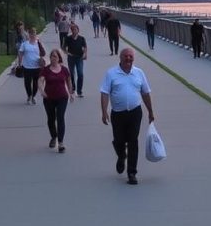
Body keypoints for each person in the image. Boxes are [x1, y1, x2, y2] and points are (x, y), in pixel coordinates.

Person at [100, 48, 155, 185]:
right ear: (120, 58)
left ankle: (132, 172)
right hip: (118, 113)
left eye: (131, 56)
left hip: (135, 112)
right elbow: (105, 93)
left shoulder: (139, 73)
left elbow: (145, 93)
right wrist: (104, 111)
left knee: (133, 141)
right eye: (126, 56)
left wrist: (150, 111)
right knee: (119, 140)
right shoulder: (111, 73)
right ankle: (121, 155)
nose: (128, 59)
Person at [39, 49, 74, 152]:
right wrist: (41, 90)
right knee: (51, 119)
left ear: (59, 58)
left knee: (60, 118)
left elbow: (69, 81)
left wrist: (71, 93)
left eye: (55, 56)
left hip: (62, 97)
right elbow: (40, 81)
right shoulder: (46, 70)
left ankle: (61, 143)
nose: (53, 58)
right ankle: (54, 136)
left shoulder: (64, 69)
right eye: (52, 56)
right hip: (48, 98)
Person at [16, 28, 46, 104]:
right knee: (27, 82)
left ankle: (34, 96)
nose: (33, 35)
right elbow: (20, 54)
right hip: (27, 66)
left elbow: (43, 53)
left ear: (36, 34)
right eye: (31, 33)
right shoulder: (25, 44)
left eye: (34, 33)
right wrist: (19, 63)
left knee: (36, 83)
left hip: (37, 66)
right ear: (28, 34)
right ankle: (29, 95)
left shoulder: (38, 43)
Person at [64, 23, 88, 98]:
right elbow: (63, 47)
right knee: (71, 73)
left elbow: (85, 47)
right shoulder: (68, 38)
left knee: (80, 73)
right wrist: (67, 53)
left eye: (76, 30)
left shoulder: (82, 38)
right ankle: (73, 88)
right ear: (71, 31)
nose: (74, 31)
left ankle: (79, 91)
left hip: (79, 58)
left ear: (78, 30)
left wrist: (85, 54)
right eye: (73, 30)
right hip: (71, 58)